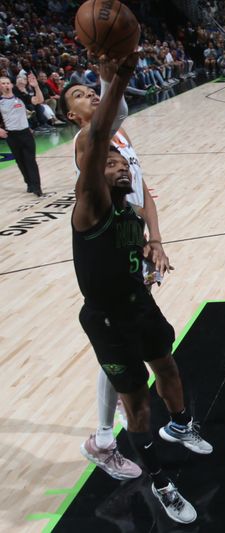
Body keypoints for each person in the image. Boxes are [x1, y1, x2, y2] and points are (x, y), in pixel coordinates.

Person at [69, 52, 210, 524]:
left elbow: (117, 123)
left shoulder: (126, 202)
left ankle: (181, 425)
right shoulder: (90, 203)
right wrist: (119, 72)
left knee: (168, 367)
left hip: (138, 303)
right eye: (108, 162)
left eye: (120, 160)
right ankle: (161, 481)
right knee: (137, 404)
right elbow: (103, 125)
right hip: (106, 319)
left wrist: (154, 248)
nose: (118, 164)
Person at [60, 58, 173, 481]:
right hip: (105, 245)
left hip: (129, 239)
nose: (88, 92)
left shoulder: (118, 138)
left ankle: (117, 428)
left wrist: (153, 238)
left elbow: (142, 189)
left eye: (90, 88)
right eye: (78, 94)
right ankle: (104, 438)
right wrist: (112, 70)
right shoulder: (88, 139)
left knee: (126, 341)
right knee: (117, 343)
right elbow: (116, 109)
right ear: (72, 116)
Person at [0, 73, 43, 195]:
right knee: (20, 161)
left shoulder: (21, 97)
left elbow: (39, 100)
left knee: (31, 160)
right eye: (3, 83)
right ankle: (29, 183)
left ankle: (37, 187)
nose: (6, 85)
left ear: (11, 85)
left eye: (7, 83)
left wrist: (36, 87)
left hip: (25, 133)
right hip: (11, 135)